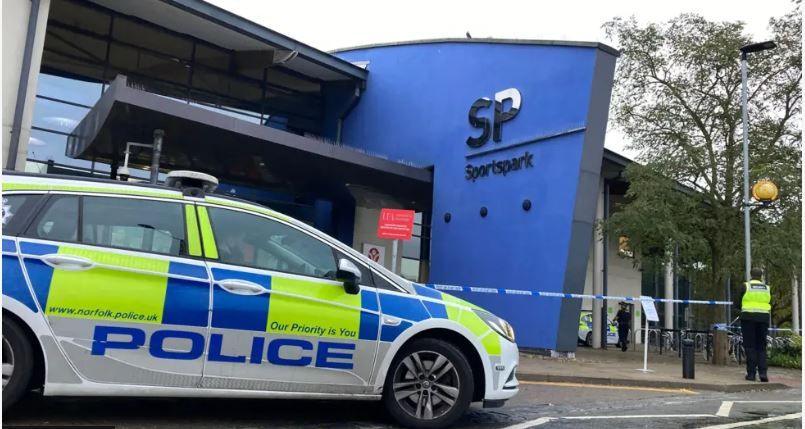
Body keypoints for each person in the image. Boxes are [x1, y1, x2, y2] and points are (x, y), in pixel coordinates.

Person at [740, 268, 772, 382]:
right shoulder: (767, 288)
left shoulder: (746, 286)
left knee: (750, 346)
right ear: (761, 276)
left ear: (751, 275)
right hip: (763, 319)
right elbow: (769, 302)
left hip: (748, 318)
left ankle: (751, 374)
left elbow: (738, 301)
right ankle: (763, 374)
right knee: (761, 347)